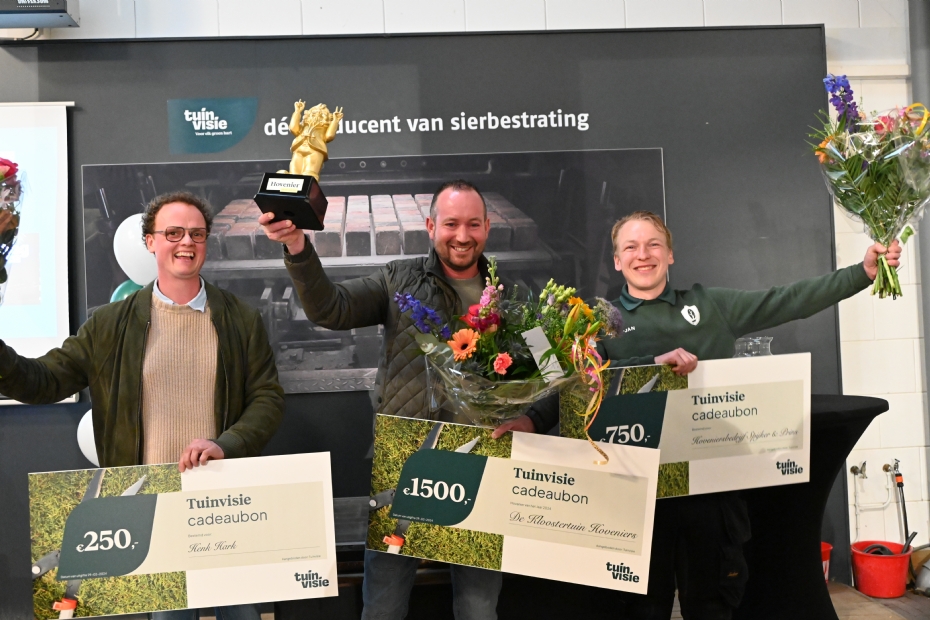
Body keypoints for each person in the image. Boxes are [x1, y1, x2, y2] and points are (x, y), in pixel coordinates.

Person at [587, 210, 900, 619]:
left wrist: (861, 273)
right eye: (631, 247)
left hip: (709, 492)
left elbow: (787, 300)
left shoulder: (709, 305)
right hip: (636, 490)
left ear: (670, 255)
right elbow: (580, 384)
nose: (642, 255)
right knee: (640, 610)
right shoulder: (597, 321)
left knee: (713, 605)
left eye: (653, 245)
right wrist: (652, 366)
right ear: (616, 260)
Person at [0, 191, 285, 620]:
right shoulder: (108, 324)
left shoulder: (240, 319)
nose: (186, 243)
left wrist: (226, 444)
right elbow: (43, 381)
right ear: (150, 241)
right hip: (149, 507)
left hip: (223, 503)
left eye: (196, 234)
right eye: (173, 233)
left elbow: (267, 397)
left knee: (241, 613)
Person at [260, 179, 532, 620]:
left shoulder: (512, 294)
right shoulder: (398, 278)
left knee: (479, 607)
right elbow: (330, 308)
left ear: (486, 227)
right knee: (383, 604)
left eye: (473, 224)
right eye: (451, 224)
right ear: (431, 226)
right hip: (405, 466)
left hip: (481, 466)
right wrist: (297, 247)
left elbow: (550, 369)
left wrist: (532, 417)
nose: (462, 235)